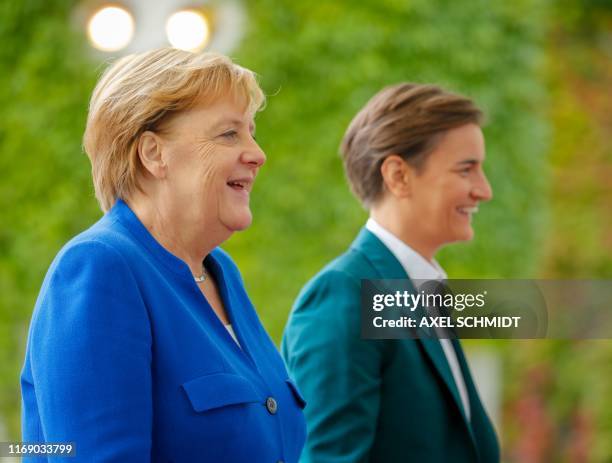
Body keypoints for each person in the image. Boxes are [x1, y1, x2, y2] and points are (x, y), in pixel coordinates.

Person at [21, 48, 306, 462]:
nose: (257, 154)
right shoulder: (100, 268)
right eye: (229, 134)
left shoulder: (219, 271)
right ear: (153, 153)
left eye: (251, 131)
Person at [282, 83, 500, 462]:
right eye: (467, 169)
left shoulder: (424, 292)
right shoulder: (344, 295)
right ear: (398, 175)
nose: (484, 190)